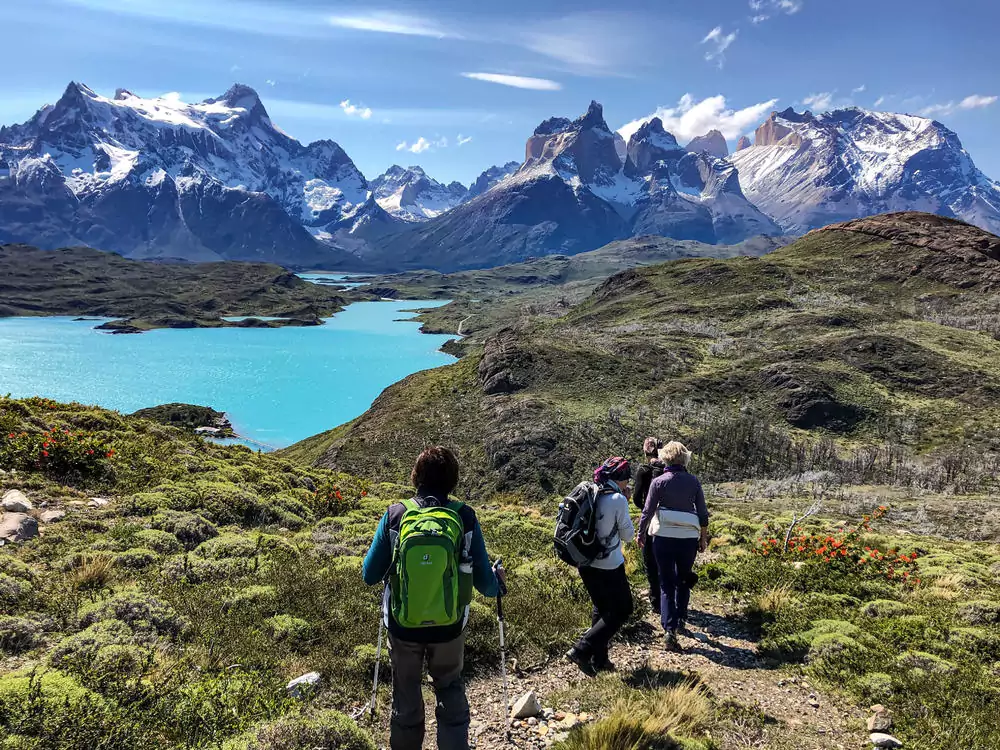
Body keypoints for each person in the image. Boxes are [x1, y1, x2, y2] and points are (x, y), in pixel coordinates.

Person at [363, 446, 503, 750]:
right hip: (449, 625)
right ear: (453, 479)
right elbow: (485, 583)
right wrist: (498, 585)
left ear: (416, 476)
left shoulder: (395, 515)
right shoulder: (464, 516)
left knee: (406, 691)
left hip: (403, 625)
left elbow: (369, 575)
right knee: (450, 687)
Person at [565, 456, 636, 673]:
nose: (628, 482)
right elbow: (628, 536)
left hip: (585, 561)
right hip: (609, 564)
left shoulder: (590, 491)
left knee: (602, 608)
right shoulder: (617, 499)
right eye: (627, 478)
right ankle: (581, 649)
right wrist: (625, 501)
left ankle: (599, 660)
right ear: (620, 478)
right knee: (623, 609)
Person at [637, 441, 709, 652]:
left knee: (666, 582)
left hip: (663, 536)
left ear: (665, 458)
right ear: (685, 459)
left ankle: (669, 630)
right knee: (683, 578)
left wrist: (641, 534)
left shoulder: (658, 482)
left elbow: (647, 511)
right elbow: (703, 513)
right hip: (688, 537)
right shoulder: (693, 482)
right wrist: (703, 538)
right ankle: (681, 617)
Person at [631, 437, 665, 613]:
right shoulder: (670, 469)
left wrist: (645, 508)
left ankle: (656, 600)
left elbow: (637, 498)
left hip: (650, 519)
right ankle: (669, 597)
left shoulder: (643, 470)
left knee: (650, 561)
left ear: (645, 452)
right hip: (668, 519)